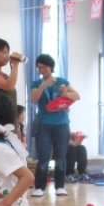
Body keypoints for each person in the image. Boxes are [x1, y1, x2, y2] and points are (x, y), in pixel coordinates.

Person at [29, 54, 80, 197]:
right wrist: (43, 84)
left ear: (51, 66)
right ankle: (40, 187)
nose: (42, 70)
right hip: (43, 124)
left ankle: (60, 186)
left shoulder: (62, 81)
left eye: (44, 66)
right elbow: (33, 98)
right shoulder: (36, 83)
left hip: (61, 124)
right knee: (43, 157)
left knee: (61, 156)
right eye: (39, 68)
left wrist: (65, 93)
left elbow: (77, 96)